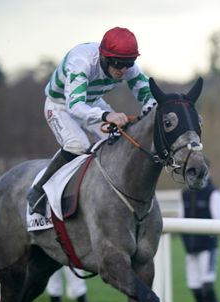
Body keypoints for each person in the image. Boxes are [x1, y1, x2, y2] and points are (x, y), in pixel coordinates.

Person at [27, 27, 157, 215]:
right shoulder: (81, 61)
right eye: (118, 64)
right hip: (61, 105)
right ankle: (39, 190)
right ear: (104, 58)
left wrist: (147, 113)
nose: (123, 70)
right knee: (77, 145)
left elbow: (149, 97)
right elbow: (75, 106)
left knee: (120, 141)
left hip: (91, 102)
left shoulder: (127, 68)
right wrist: (106, 116)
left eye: (129, 63)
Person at [179, 176, 220, 302]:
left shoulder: (213, 193)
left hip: (208, 247)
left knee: (207, 282)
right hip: (190, 248)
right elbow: (181, 219)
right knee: (193, 285)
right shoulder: (184, 194)